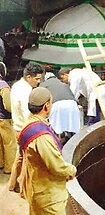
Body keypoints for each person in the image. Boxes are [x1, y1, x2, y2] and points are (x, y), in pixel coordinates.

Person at [16, 86, 77, 215]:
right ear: (46, 106)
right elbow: (57, 166)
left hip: (34, 189)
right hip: (48, 196)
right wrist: (72, 169)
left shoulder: (28, 124)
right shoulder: (42, 135)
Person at [8, 61, 44, 191]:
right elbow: (27, 113)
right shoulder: (26, 90)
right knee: (28, 161)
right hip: (25, 128)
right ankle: (23, 188)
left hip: (17, 126)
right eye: (37, 79)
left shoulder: (17, 85)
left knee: (20, 157)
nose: (38, 82)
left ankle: (12, 184)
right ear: (29, 77)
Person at [40, 72, 81, 144]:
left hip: (57, 105)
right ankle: (74, 144)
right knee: (72, 125)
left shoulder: (43, 85)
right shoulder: (63, 84)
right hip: (72, 104)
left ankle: (58, 145)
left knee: (57, 128)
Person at [0, 62, 16, 174]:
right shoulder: (3, 85)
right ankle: (9, 168)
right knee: (9, 143)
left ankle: (0, 163)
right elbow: (8, 105)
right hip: (4, 119)